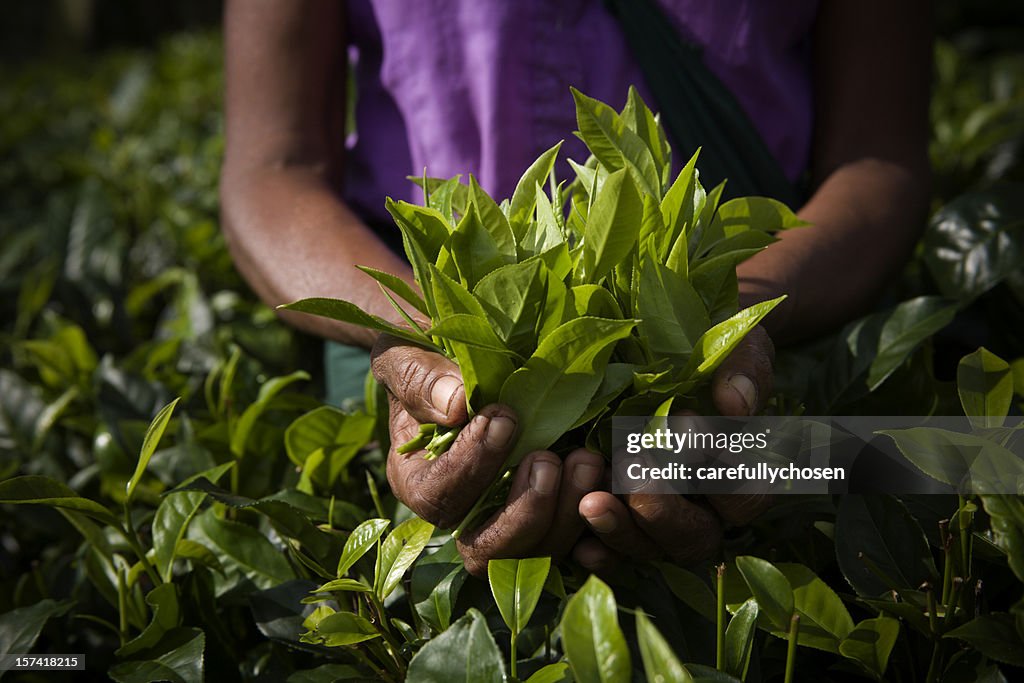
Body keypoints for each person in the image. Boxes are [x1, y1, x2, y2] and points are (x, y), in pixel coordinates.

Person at [219, 0, 931, 575]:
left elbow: (880, 163)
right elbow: (269, 173)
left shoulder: (737, 334)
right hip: (412, 378)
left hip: (770, 363)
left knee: (972, 464)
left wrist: (727, 321)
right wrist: (427, 342)